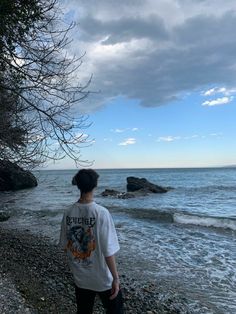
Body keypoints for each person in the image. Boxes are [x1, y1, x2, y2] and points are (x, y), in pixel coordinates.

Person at [59, 169, 124, 314]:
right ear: (95, 185)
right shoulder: (101, 213)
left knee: (84, 311)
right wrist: (116, 278)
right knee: (116, 310)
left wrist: (77, 265)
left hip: (80, 277)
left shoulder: (68, 212)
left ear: (78, 186)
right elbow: (108, 251)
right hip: (102, 279)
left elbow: (65, 245)